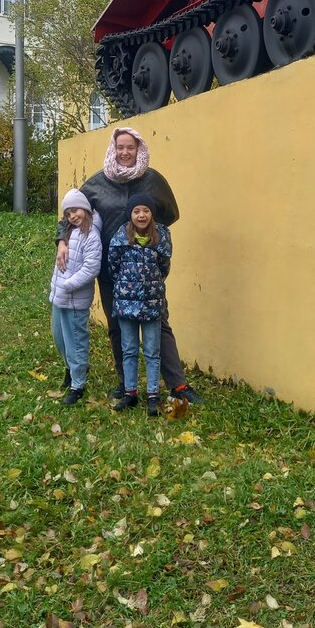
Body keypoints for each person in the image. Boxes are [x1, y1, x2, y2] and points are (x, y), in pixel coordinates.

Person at [56, 125, 201, 404]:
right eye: (120, 147)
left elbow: (170, 214)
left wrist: (148, 241)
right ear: (113, 149)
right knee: (117, 326)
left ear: (138, 149)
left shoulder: (153, 181)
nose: (125, 152)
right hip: (110, 271)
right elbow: (71, 216)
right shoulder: (96, 184)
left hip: (146, 273)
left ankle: (178, 385)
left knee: (159, 324)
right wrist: (62, 240)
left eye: (130, 147)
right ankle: (127, 384)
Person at [108, 194, 172, 416]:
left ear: (152, 213)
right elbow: (113, 266)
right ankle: (130, 393)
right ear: (130, 215)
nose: (141, 215)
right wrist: (127, 287)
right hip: (126, 304)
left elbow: (164, 267)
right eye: (136, 211)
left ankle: (153, 395)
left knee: (152, 351)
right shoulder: (120, 237)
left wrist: (150, 286)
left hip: (152, 303)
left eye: (146, 210)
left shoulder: (161, 237)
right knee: (129, 349)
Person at [49, 189, 102, 406]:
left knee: (76, 343)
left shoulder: (92, 235)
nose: (73, 216)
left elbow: (91, 268)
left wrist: (67, 285)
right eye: (68, 213)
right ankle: (70, 369)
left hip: (74, 299)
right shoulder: (69, 232)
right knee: (59, 338)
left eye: (76, 210)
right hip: (59, 297)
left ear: (86, 209)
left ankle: (78, 385)